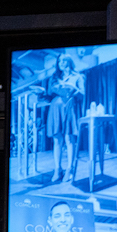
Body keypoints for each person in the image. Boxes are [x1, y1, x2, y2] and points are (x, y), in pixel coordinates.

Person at [46, 53, 84, 184]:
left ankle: (70, 169)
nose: (61, 63)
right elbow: (49, 94)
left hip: (70, 108)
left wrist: (74, 91)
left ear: (69, 61)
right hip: (55, 109)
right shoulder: (54, 77)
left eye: (63, 60)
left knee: (69, 139)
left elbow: (83, 93)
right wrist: (40, 94)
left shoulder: (77, 76)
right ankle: (57, 169)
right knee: (57, 140)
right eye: (59, 61)